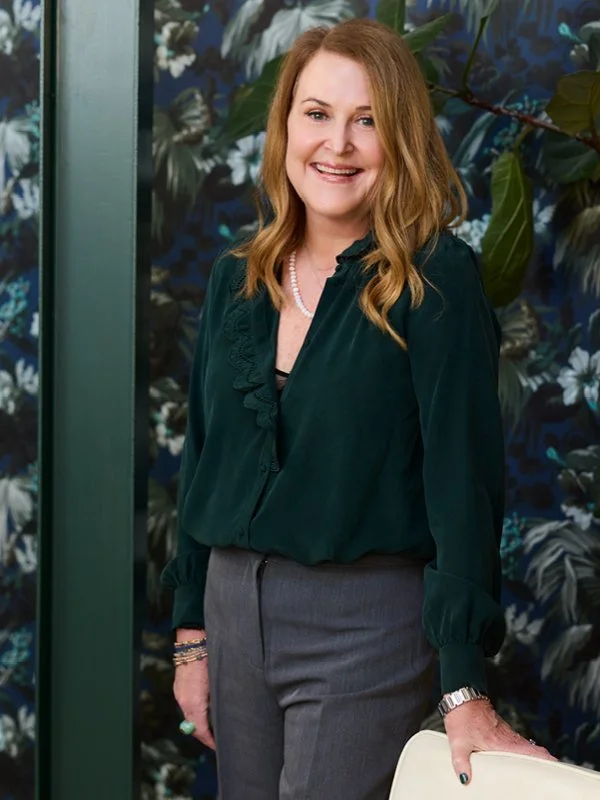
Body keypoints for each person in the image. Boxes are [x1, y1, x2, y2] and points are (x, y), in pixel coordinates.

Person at [162, 17, 555, 799]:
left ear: (399, 139)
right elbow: (206, 463)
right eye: (317, 114)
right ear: (285, 130)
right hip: (233, 613)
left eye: (366, 120)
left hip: (364, 625)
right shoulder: (237, 279)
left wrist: (463, 687)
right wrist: (192, 641)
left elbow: (462, 490)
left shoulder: (434, 284)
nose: (337, 145)